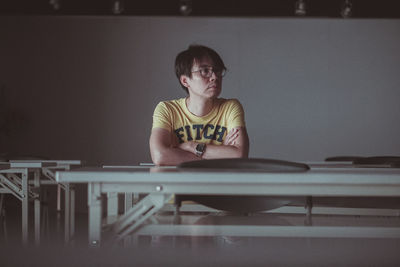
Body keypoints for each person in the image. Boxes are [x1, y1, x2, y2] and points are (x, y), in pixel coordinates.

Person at [149, 45, 249, 166]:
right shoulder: (167, 109)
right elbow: (160, 156)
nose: (214, 77)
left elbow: (239, 155)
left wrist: (190, 146)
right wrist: (219, 155)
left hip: (219, 183)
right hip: (178, 182)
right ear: (185, 81)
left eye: (217, 71)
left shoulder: (230, 107)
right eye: (205, 71)